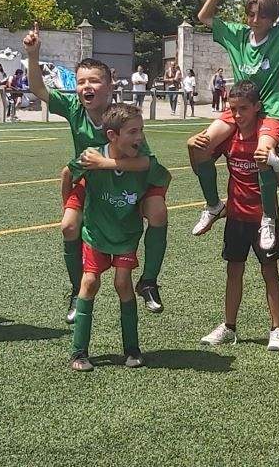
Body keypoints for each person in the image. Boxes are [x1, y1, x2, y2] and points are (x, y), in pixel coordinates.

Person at [23, 23, 170, 319]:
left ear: (110, 86)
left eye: (94, 81)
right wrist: (33, 54)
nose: (86, 87)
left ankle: (150, 281)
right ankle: (77, 291)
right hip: (94, 182)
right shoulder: (73, 107)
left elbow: (145, 162)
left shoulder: (122, 117)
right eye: (80, 81)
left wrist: (106, 163)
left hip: (131, 179)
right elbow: (38, 88)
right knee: (68, 227)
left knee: (158, 213)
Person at [192, 0, 279, 254]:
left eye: (261, 16)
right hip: (239, 110)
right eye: (250, 14)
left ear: (274, 18)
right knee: (197, 146)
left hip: (270, 112)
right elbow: (204, 16)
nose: (254, 20)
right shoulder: (237, 34)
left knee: (261, 154)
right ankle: (214, 205)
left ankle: (268, 218)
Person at [67, 103, 170, 372]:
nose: (140, 138)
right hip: (96, 231)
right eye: (133, 132)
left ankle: (132, 350)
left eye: (141, 131)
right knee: (89, 283)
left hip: (126, 233)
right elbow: (67, 173)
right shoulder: (91, 157)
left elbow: (163, 175)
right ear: (112, 135)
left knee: (123, 283)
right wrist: (67, 205)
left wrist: (149, 199)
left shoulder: (143, 162)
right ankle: (78, 352)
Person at [199, 81, 279, 351]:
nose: (237, 115)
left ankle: (277, 329)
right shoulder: (228, 136)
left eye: (243, 109)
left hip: (265, 217)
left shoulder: (269, 137)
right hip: (236, 216)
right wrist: (195, 144)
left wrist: (274, 161)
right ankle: (229, 327)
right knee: (233, 271)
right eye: (233, 109)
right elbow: (203, 159)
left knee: (270, 272)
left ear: (257, 107)